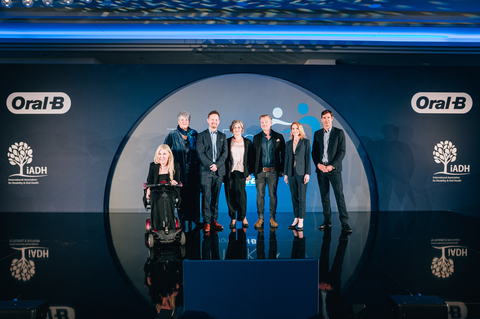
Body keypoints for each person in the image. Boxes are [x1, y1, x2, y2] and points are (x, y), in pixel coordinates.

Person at [312, 110, 352, 233]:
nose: (326, 120)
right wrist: (318, 164)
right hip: (321, 170)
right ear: (321, 119)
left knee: (339, 195)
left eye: (328, 117)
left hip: (334, 170)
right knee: (325, 196)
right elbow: (314, 152)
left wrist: (332, 166)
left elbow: (342, 152)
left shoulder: (339, 133)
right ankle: (327, 221)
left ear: (332, 118)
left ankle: (344, 222)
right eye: (324, 117)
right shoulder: (317, 133)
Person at [164, 111, 200, 228]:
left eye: (186, 120)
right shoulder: (173, 135)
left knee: (193, 194)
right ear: (178, 122)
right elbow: (165, 150)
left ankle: (193, 218)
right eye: (182, 120)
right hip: (180, 170)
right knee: (182, 195)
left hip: (194, 170)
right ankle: (182, 219)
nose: (185, 122)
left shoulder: (194, 133)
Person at [196, 110, 228, 233]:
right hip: (205, 171)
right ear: (208, 120)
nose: (214, 121)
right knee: (206, 197)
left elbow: (225, 153)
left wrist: (217, 165)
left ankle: (214, 220)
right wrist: (211, 165)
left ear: (219, 122)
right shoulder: (201, 135)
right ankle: (206, 222)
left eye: (216, 119)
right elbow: (200, 153)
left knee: (215, 197)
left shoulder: (222, 136)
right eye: (212, 119)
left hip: (218, 171)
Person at [253, 114, 285, 229]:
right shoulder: (256, 138)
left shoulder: (279, 137)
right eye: (262, 122)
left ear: (271, 123)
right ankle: (260, 218)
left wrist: (282, 170)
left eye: (266, 122)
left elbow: (284, 155)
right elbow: (253, 156)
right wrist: (253, 171)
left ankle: (272, 218)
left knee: (273, 195)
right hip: (260, 172)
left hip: (273, 171)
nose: (264, 124)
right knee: (260, 195)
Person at [224, 120, 254, 229]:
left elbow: (251, 159)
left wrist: (249, 172)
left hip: (241, 172)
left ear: (242, 129)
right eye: (235, 127)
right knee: (230, 196)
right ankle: (233, 218)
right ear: (232, 129)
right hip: (229, 172)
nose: (237, 129)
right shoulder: (227, 141)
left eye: (239, 127)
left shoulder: (247, 142)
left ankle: (243, 217)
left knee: (241, 197)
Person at [146, 144, 181, 231]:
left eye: (164, 154)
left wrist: (174, 181)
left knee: (168, 198)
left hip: (170, 190)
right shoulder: (153, 166)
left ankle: (171, 226)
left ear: (169, 155)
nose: (161, 156)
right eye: (159, 154)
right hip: (156, 190)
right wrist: (148, 190)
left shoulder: (175, 165)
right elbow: (149, 182)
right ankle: (157, 227)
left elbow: (178, 180)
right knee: (156, 198)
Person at [283, 122, 311, 231]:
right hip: (291, 173)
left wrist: (307, 173)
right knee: (294, 196)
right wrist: (285, 174)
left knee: (302, 197)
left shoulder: (305, 142)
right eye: (293, 128)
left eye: (297, 128)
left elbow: (308, 159)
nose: (295, 130)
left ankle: (301, 220)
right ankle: (296, 217)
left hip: (302, 173)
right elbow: (286, 159)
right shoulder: (288, 143)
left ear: (300, 130)